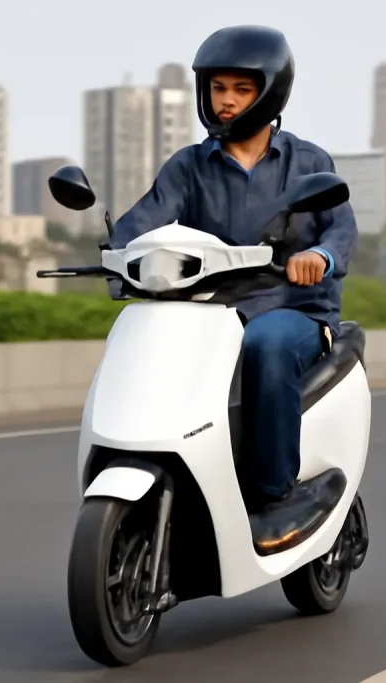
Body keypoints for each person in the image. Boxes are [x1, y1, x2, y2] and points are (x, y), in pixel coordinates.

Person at [110, 25, 358, 515]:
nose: (226, 101)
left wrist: (320, 259)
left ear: (269, 92)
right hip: (209, 314)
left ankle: (272, 493)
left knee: (267, 344)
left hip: (294, 311)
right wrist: (117, 257)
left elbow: (341, 232)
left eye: (241, 90)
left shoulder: (308, 162)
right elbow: (140, 224)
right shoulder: (188, 167)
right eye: (218, 88)